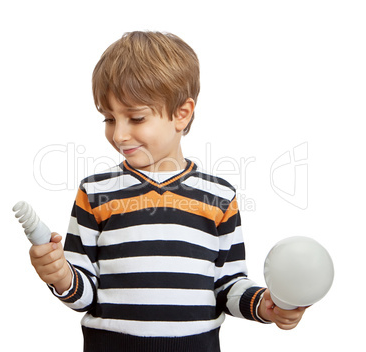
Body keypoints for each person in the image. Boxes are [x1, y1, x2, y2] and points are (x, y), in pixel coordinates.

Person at [29, 31, 306, 352]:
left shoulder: (219, 196)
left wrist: (263, 304)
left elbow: (227, 284)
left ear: (181, 113)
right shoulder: (95, 192)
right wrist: (60, 275)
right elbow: (84, 293)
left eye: (135, 117)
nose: (119, 134)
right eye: (108, 118)